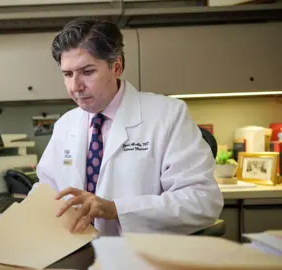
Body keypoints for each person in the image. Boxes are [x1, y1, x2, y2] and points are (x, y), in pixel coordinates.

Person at [34, 17, 224, 236]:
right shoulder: (66, 124)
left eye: (87, 72)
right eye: (68, 74)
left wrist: (116, 209)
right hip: (74, 253)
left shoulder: (168, 114)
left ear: (117, 67)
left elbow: (202, 202)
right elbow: (46, 192)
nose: (75, 86)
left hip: (142, 257)